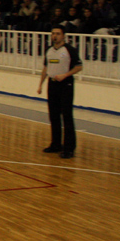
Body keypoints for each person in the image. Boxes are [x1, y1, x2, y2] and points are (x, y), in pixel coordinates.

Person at [38, 25, 82, 159]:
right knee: (54, 115)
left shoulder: (69, 50)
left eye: (57, 33)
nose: (55, 36)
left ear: (63, 36)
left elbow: (79, 67)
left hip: (66, 84)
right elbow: (46, 67)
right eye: (53, 34)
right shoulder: (49, 51)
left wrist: (66, 75)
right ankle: (55, 144)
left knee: (67, 116)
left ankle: (69, 148)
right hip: (52, 84)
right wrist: (41, 84)